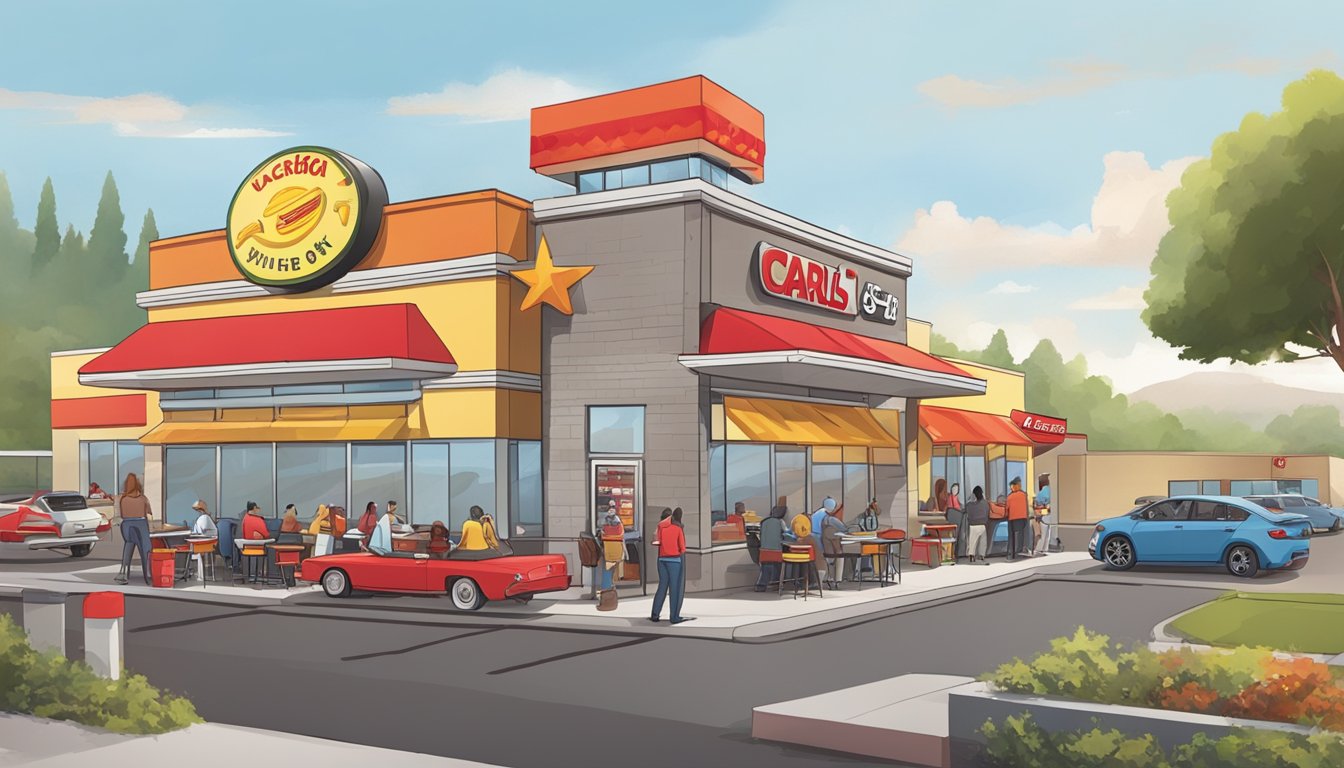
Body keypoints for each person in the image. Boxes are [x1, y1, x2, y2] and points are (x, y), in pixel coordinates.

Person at [651, 507, 691, 624]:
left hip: (661, 560)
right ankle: (674, 616)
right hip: (674, 561)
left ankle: (655, 614)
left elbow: (658, 543)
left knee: (662, 586)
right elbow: (682, 548)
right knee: (675, 589)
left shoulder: (662, 528)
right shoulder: (678, 529)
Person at [116, 473, 152, 585]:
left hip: (127, 526)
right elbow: (149, 514)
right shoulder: (143, 499)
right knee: (146, 548)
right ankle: (148, 573)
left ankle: (124, 571)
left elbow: (121, 515)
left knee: (129, 544)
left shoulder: (123, 499)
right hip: (141, 525)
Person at [598, 501, 625, 608]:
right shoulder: (619, 523)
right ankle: (610, 598)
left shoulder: (604, 522)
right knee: (612, 573)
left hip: (608, 550)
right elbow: (621, 534)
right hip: (616, 550)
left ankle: (606, 599)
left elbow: (603, 532)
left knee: (607, 572)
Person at [754, 505, 787, 591]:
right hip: (776, 550)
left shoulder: (764, 521)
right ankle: (775, 584)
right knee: (777, 567)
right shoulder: (780, 522)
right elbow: (786, 533)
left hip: (764, 549)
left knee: (765, 568)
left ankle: (760, 586)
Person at [964, 487, 991, 563]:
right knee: (983, 542)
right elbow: (987, 513)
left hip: (973, 526)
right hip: (982, 525)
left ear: (974, 495)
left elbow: (965, 510)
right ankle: (982, 556)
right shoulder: (985, 503)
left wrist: (970, 499)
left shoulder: (969, 505)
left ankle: (971, 556)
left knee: (972, 542)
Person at [1006, 478, 1030, 561]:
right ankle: (1020, 552)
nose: (1010, 488)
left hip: (1013, 518)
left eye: (1011, 486)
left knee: (1012, 536)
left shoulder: (1010, 496)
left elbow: (1007, 508)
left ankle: (1012, 554)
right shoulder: (1024, 494)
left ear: (1015, 486)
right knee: (1021, 535)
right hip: (1023, 518)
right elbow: (1026, 507)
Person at [1033, 475, 1054, 556]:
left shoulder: (1041, 493)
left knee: (1043, 534)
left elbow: (1037, 504)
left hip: (1043, 515)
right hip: (1050, 515)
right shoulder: (1051, 491)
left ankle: (1039, 549)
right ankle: (1045, 549)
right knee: (1048, 533)